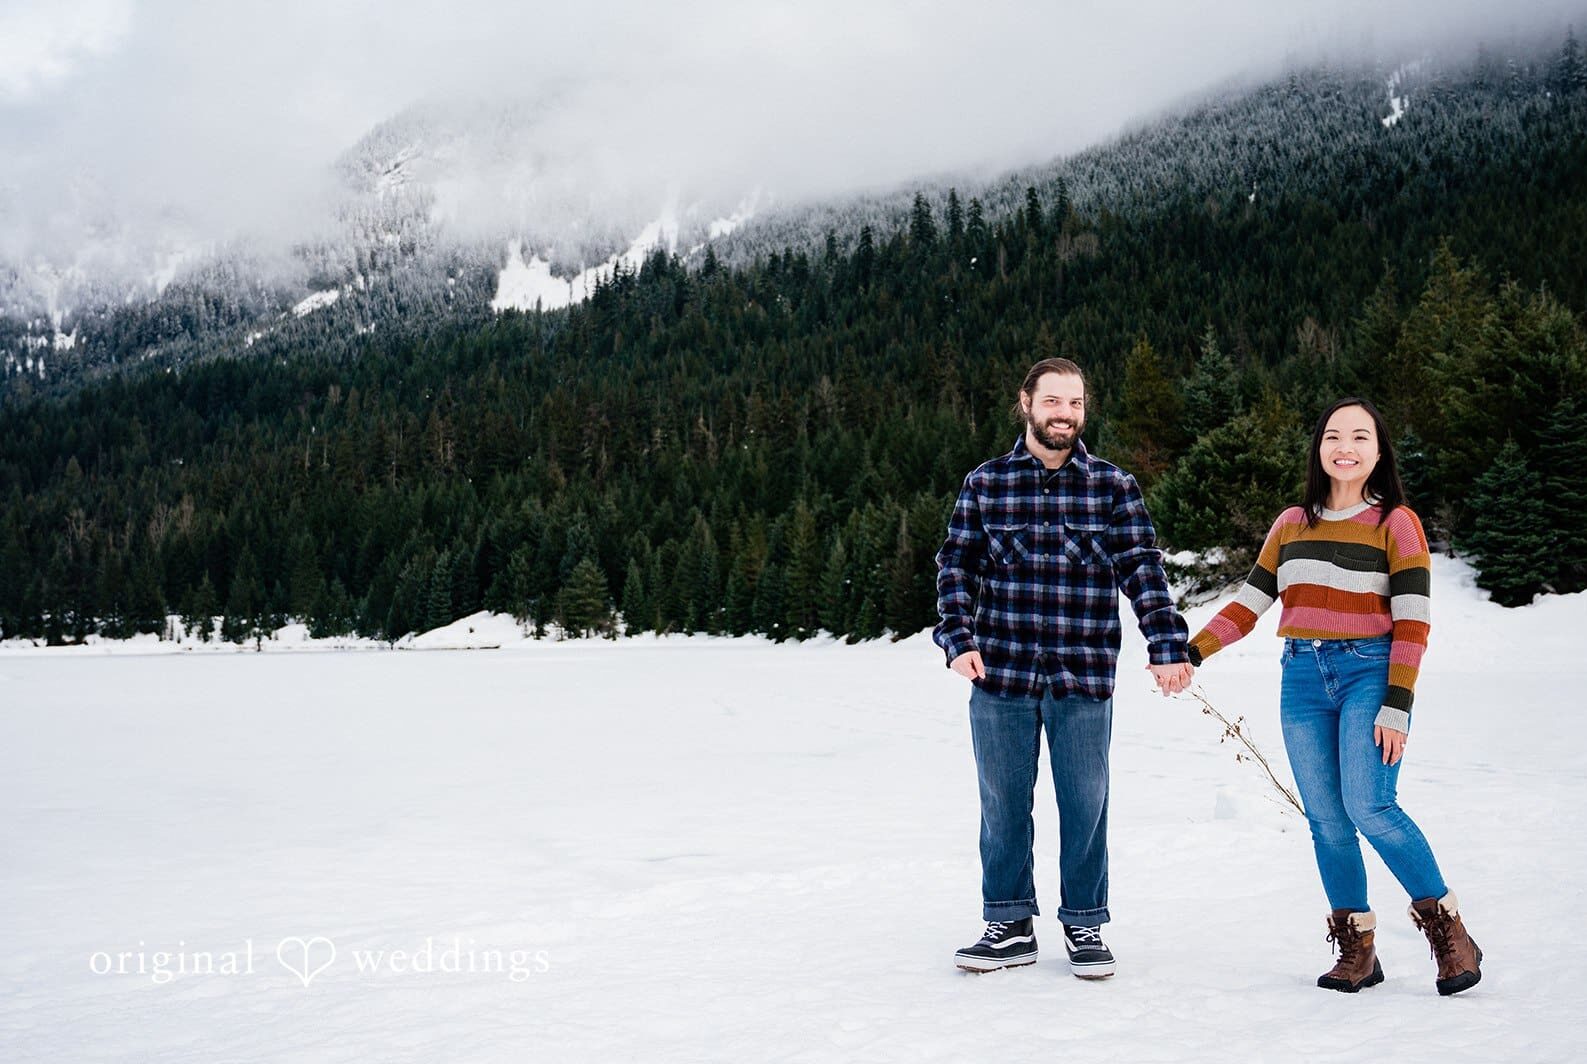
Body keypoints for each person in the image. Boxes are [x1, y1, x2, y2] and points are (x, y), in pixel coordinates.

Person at [1186, 397, 1482, 996]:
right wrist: (1192, 652)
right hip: (1300, 676)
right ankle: (1358, 948)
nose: (1344, 447)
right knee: (1325, 819)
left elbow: (1414, 622)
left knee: (1370, 804)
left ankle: (1449, 929)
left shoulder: (1396, 522)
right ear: (1319, 448)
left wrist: (1397, 704)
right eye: (1332, 436)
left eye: (1359, 437)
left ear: (1378, 452)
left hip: (1368, 672)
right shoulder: (1293, 522)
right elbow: (1250, 603)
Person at [934, 357, 1194, 978]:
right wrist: (958, 637)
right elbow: (956, 567)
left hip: (1083, 673)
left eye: (1074, 403)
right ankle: (1009, 923)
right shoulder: (986, 483)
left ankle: (1085, 925)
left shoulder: (1113, 486)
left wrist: (1166, 644)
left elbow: (1143, 570)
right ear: (1026, 403)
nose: (1064, 414)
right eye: (1052, 401)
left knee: (1085, 802)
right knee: (1002, 804)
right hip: (999, 673)